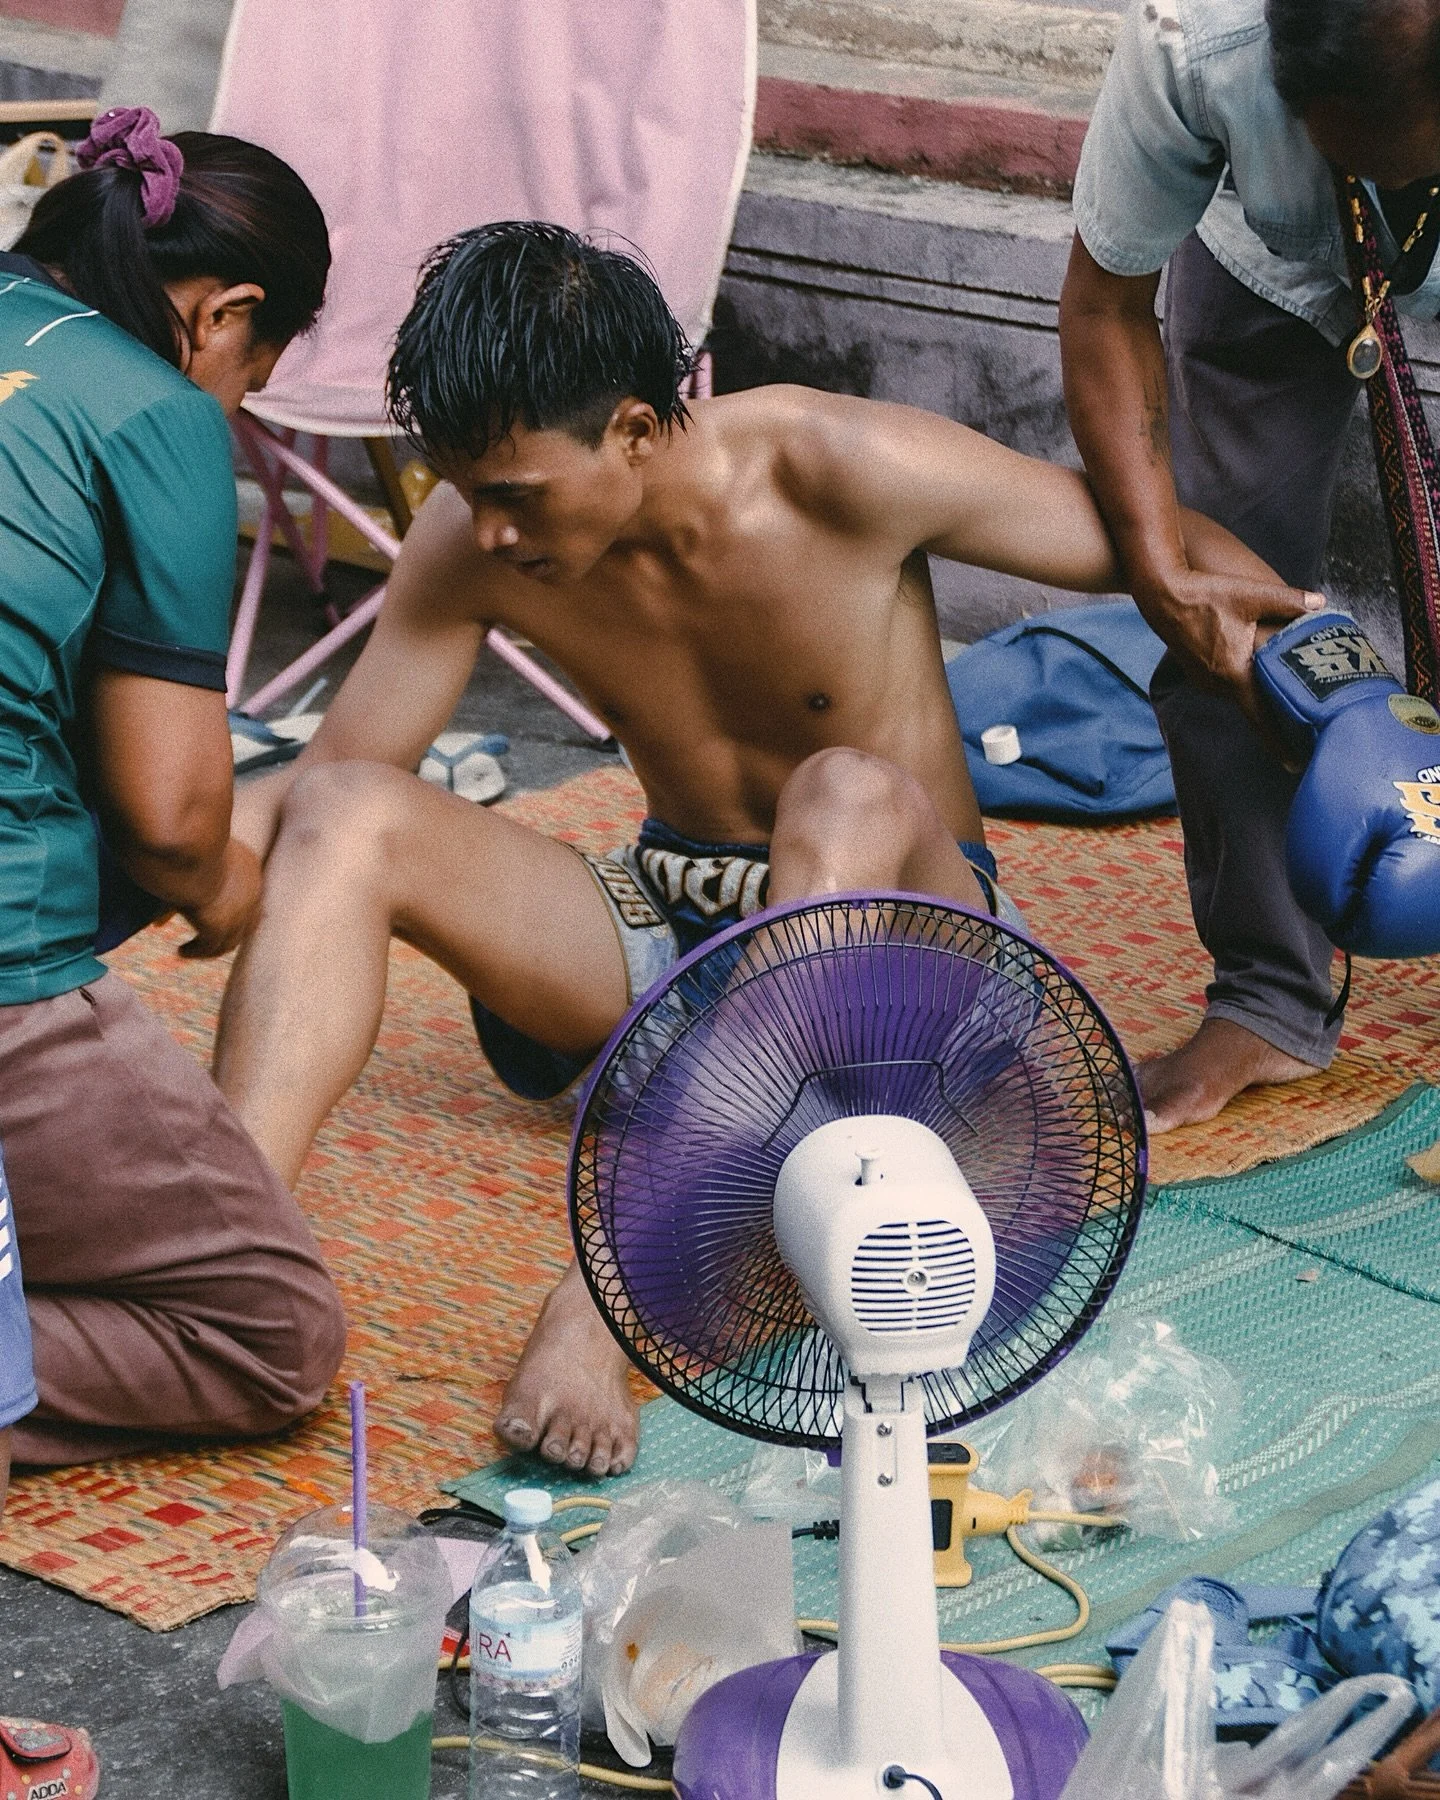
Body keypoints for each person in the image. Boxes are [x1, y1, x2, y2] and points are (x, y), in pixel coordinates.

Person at [213, 221, 1277, 1479]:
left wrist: (1343, 708)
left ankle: (604, 1303)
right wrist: (131, 865)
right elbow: (341, 778)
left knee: (841, 791)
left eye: (514, 497)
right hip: (675, 939)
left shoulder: (840, 464)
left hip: (906, 963)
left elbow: (1186, 559)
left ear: (637, 429)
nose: (487, 532)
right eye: (464, 494)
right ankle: (218, 1261)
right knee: (342, 815)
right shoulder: (475, 536)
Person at [0, 107, 346, 1469]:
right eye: (256, 372)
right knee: (265, 1328)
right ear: (225, 317)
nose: (241, 403)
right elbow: (168, 817)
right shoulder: (155, 414)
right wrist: (229, 887)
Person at [1059, 0, 1440, 1132]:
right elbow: (1102, 303)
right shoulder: (1196, 37)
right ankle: (1272, 995)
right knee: (1225, 609)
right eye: (1333, 145)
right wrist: (1164, 574)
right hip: (1265, 263)